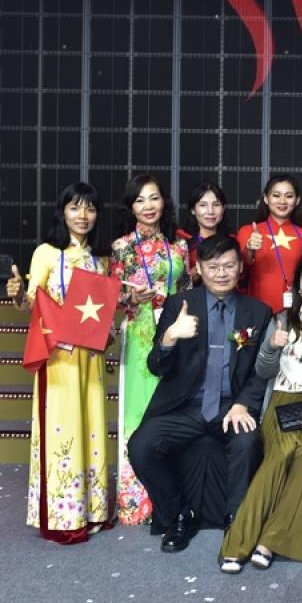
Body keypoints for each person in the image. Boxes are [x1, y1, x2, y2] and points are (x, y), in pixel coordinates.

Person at [127, 235, 272, 552]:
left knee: (247, 442)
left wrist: (243, 404)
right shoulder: (179, 305)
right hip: (184, 406)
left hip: (229, 406)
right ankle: (179, 515)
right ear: (199, 269)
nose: (222, 273)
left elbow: (261, 372)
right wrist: (169, 337)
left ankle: (237, 521)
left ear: (240, 268)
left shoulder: (258, 312)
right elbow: (156, 366)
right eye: (213, 267)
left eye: (229, 266)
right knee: (140, 446)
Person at [219, 250, 302, 571]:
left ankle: (269, 541)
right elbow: (264, 371)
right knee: (280, 453)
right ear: (297, 284)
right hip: (282, 402)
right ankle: (237, 543)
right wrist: (271, 346)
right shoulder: (280, 320)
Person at [6, 181, 113, 544]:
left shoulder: (101, 259)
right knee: (62, 430)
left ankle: (93, 509)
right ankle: (64, 515)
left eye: (90, 209)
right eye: (74, 207)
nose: (83, 216)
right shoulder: (47, 253)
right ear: (62, 212)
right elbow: (30, 302)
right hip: (59, 359)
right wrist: (17, 295)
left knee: (92, 427)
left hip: (91, 357)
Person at [111, 174, 192, 526]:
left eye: (154, 198)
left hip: (174, 333)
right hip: (140, 332)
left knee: (172, 409)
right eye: (140, 200)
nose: (148, 206)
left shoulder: (179, 246)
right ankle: (137, 503)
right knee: (139, 412)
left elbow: (186, 288)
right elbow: (111, 296)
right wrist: (131, 297)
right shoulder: (121, 247)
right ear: (131, 207)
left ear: (164, 202)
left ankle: (175, 499)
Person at [236, 174, 302, 315]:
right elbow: (238, 272)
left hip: (296, 310)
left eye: (289, 196)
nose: (282, 201)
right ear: (266, 198)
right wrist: (249, 250)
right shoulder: (248, 231)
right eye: (276, 195)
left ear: (297, 200)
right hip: (257, 308)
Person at [176, 181, 232, 283]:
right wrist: (190, 278)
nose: (210, 211)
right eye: (203, 205)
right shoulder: (180, 242)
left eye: (216, 204)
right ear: (193, 209)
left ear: (223, 209)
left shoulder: (232, 242)